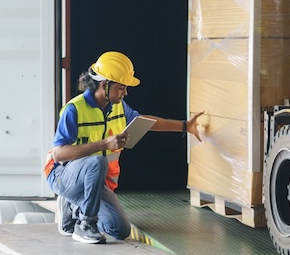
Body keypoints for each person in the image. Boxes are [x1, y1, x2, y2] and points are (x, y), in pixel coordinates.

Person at [43, 51, 203, 244]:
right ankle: (85, 225)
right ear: (104, 85)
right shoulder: (74, 110)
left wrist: (185, 126)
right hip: (61, 176)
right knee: (97, 161)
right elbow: (59, 154)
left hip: (95, 182)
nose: (125, 93)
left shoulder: (118, 107)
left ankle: (75, 207)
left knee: (119, 229)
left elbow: (146, 122)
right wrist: (103, 144)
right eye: (121, 88)